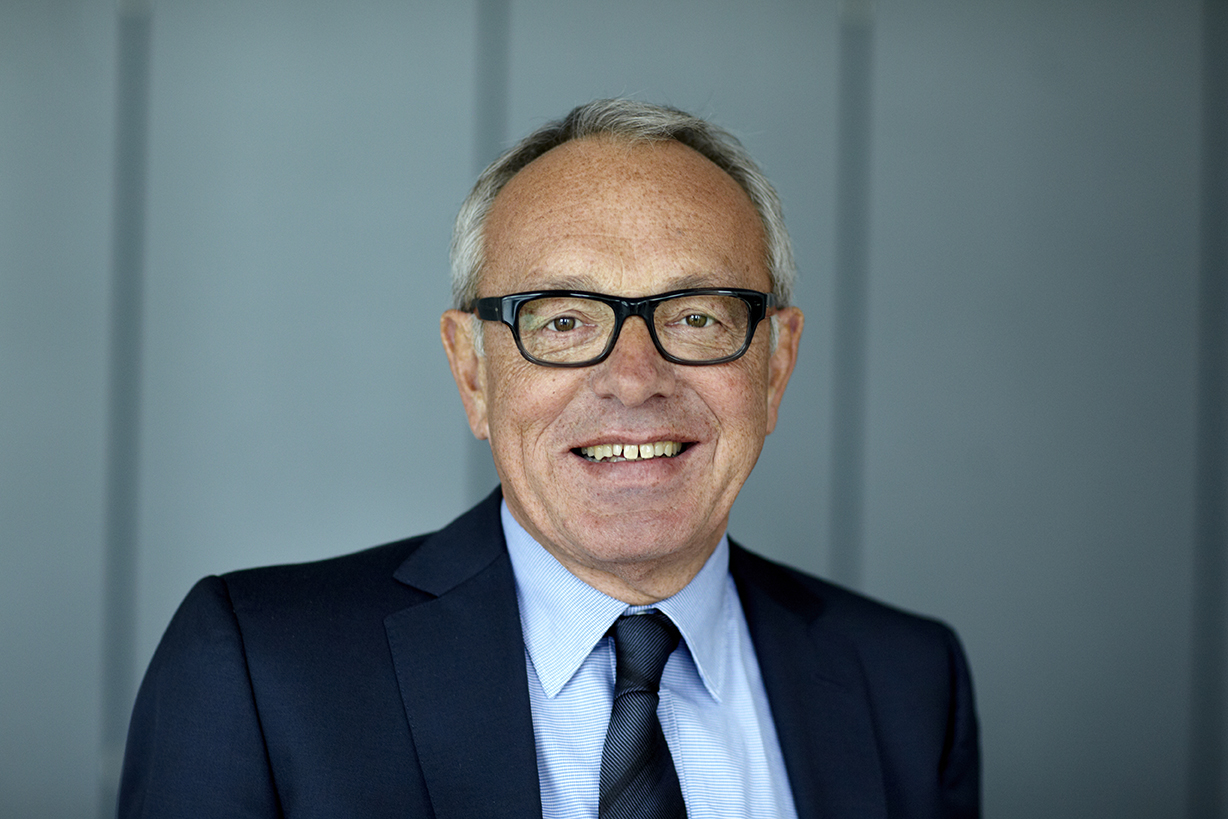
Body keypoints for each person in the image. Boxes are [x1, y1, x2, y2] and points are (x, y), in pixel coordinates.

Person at [118, 99, 980, 819]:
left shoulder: (909, 682)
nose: (634, 379)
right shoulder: (259, 665)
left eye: (697, 316)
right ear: (473, 372)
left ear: (776, 365)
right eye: (562, 319)